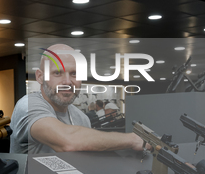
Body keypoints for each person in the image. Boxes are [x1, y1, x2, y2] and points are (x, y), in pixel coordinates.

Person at [10, 44, 145, 154]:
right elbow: (68, 141)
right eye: (57, 73)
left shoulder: (82, 118)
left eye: (74, 73)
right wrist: (132, 140)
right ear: (40, 77)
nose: (68, 82)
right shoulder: (28, 105)